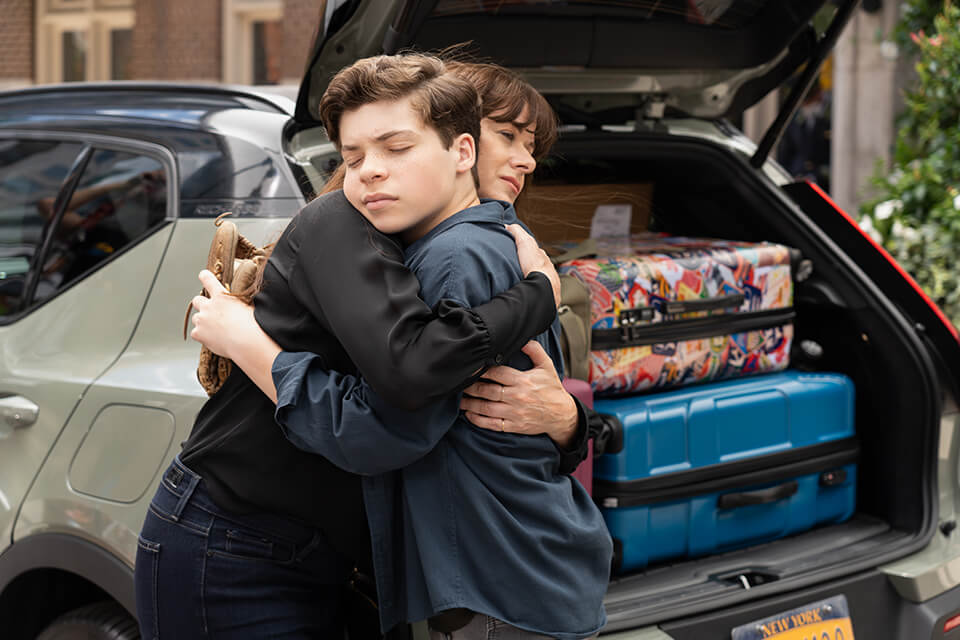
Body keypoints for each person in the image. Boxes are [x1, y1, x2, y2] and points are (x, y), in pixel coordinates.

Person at [135, 60, 588, 640]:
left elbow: (501, 418)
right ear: (462, 144)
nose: (525, 158)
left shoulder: (467, 246)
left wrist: (568, 420)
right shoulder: (362, 230)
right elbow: (398, 398)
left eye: (532, 145)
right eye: (509, 135)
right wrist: (538, 295)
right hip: (236, 541)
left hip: (337, 557)